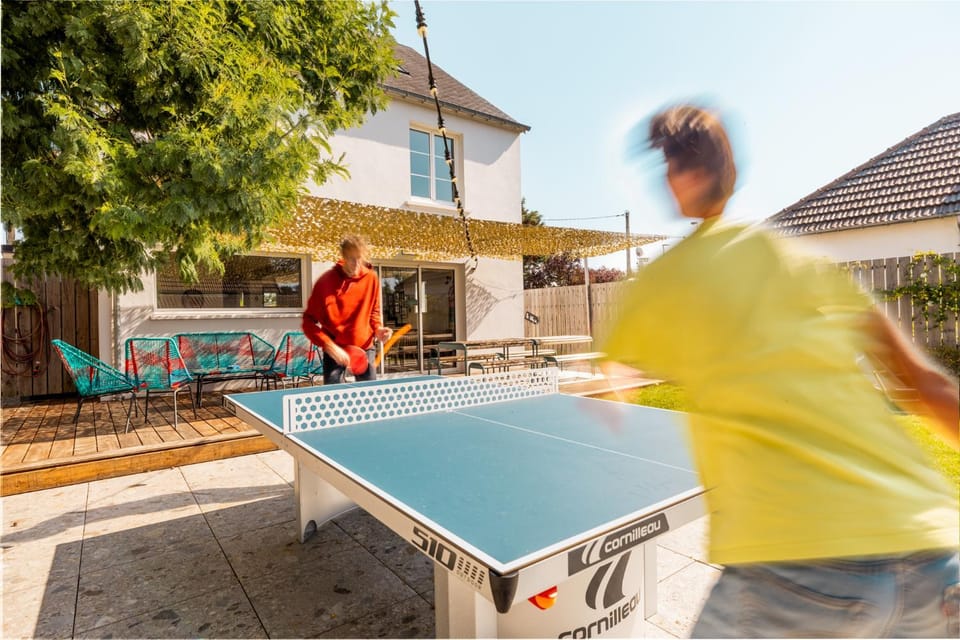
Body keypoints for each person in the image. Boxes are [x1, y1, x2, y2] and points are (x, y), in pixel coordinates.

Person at [601, 104, 959, 637]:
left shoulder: (662, 282)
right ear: (732, 173)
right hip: (934, 557)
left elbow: (614, 378)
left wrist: (617, 382)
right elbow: (924, 386)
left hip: (795, 561)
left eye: (669, 169)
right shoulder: (806, 263)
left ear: (681, 176)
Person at [302, 234, 392, 385]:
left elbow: (374, 311)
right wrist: (328, 346)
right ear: (343, 256)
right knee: (333, 398)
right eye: (351, 258)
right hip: (335, 350)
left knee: (369, 397)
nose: (355, 264)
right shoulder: (326, 282)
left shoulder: (371, 279)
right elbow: (308, 322)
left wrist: (378, 329)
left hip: (364, 348)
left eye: (359, 258)